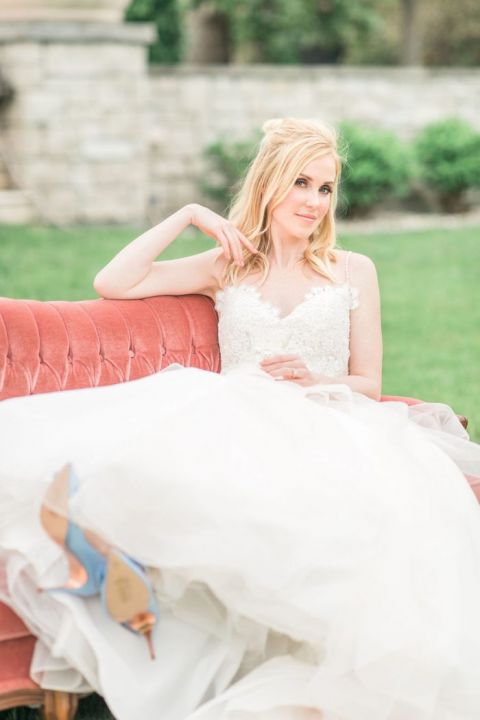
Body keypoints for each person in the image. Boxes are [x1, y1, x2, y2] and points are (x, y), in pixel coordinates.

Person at [1, 117, 480, 720]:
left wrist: (315, 380)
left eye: (325, 188)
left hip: (326, 417)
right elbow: (113, 282)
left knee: (360, 513)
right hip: (236, 414)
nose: (314, 201)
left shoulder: (352, 269)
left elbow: (369, 382)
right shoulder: (228, 265)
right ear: (270, 183)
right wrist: (189, 216)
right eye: (300, 182)